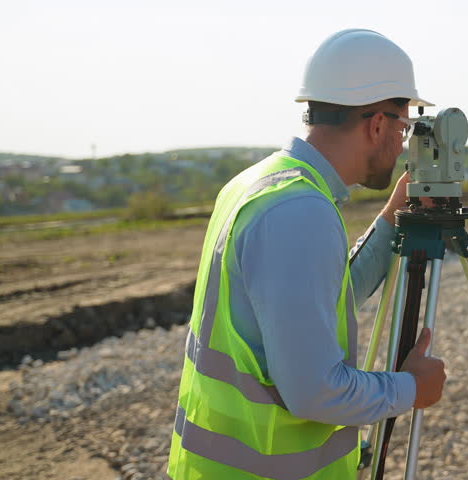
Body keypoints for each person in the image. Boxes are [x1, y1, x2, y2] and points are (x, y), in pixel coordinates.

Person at [167, 29, 447, 479]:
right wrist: (410, 388)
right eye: (404, 126)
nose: (403, 143)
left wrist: (394, 215)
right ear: (377, 124)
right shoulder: (300, 212)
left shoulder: (262, 184)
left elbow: (322, 301)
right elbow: (316, 391)